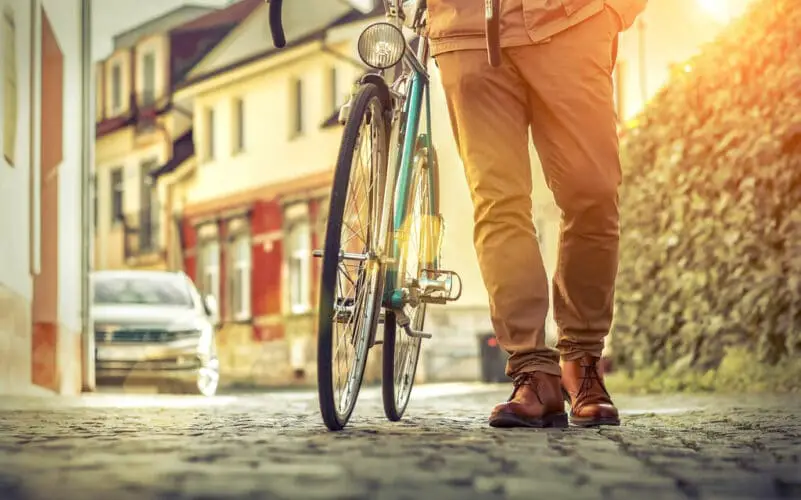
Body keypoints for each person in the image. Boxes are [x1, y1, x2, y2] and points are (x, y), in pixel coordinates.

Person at [427, 0, 647, 428]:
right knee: (498, 202)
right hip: (467, 30)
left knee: (593, 192)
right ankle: (532, 371)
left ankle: (582, 361)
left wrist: (615, 10)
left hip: (571, 19)